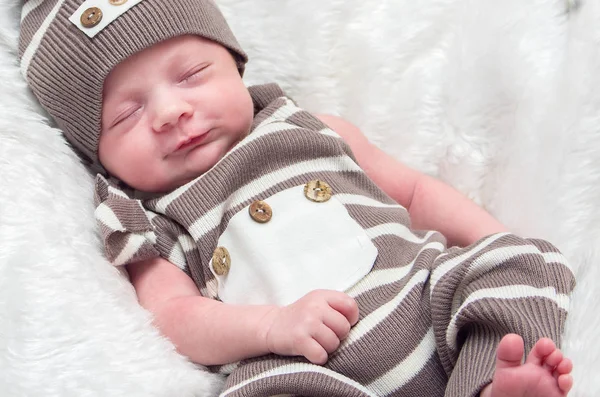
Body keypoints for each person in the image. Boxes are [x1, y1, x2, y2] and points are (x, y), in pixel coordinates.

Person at [19, 1, 575, 396]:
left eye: (191, 74)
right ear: (97, 154)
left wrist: (490, 240)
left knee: (516, 260)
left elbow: (414, 191)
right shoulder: (151, 219)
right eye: (126, 114)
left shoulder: (312, 128)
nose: (170, 112)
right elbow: (173, 317)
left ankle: (491, 382)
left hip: (428, 300)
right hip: (308, 367)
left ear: (235, 66)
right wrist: (270, 328)